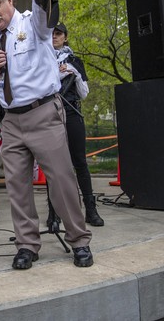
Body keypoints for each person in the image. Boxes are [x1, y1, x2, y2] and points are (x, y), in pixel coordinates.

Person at [0, 0, 93, 270]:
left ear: (9, 0)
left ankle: (79, 241)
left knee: (62, 181)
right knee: (17, 185)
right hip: (10, 121)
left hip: (43, 113)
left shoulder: (32, 24)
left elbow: (45, 13)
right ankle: (27, 244)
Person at [52, 22, 104, 226]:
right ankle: (53, 215)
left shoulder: (75, 61)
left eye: (58, 34)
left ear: (65, 37)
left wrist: (74, 72)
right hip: (50, 113)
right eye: (52, 34)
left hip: (72, 111)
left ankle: (91, 210)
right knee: (53, 166)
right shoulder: (40, 58)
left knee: (80, 162)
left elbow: (84, 93)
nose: (54, 37)